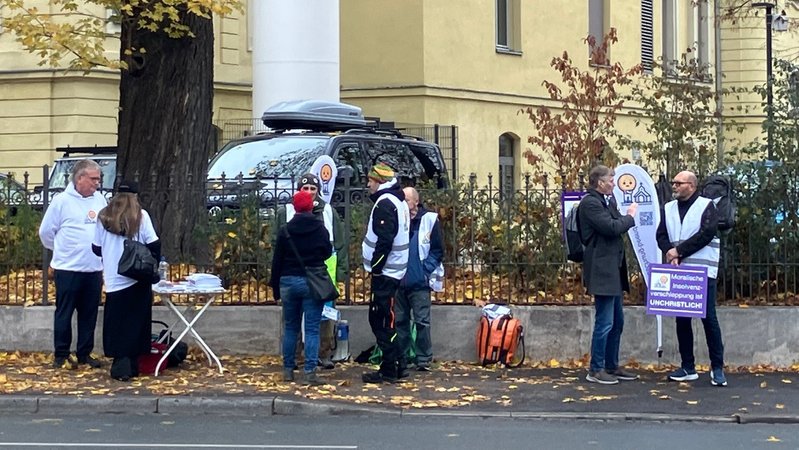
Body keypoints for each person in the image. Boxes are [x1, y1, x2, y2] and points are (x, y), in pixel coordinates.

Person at [657, 170, 727, 387]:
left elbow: (706, 234)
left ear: (692, 186)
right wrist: (669, 250)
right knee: (682, 319)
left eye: (679, 183)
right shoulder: (668, 208)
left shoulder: (706, 206)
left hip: (702, 271)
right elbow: (661, 234)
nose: (675, 186)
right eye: (674, 183)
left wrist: (678, 252)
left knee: (708, 318)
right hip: (680, 270)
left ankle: (717, 368)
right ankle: (688, 367)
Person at [38, 159, 107, 370]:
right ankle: (61, 354)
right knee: (64, 312)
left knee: (89, 314)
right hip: (68, 268)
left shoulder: (100, 200)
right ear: (80, 178)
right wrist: (60, 250)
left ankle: (84, 353)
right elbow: (46, 232)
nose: (97, 183)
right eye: (94, 179)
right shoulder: (61, 202)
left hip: (93, 268)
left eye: (98, 179)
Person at [275, 173, 347, 370]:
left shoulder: (328, 211)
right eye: (304, 189)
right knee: (297, 323)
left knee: (324, 318)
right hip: (308, 273)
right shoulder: (286, 212)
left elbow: (339, 244)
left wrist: (340, 273)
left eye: (312, 189)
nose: (308, 193)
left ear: (318, 191)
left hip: (323, 275)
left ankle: (323, 354)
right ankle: (299, 359)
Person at [92, 180, 160, 381]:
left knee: (116, 322)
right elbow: (154, 243)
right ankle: (132, 363)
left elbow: (96, 248)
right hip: (136, 276)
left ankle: (119, 363)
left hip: (113, 277)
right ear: (135, 197)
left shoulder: (103, 217)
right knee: (136, 321)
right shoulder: (140, 216)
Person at [578, 165, 639, 385]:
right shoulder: (590, 203)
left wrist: (623, 219)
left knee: (617, 322)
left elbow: (615, 223)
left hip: (613, 267)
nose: (614, 183)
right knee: (604, 322)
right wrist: (630, 217)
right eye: (610, 180)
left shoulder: (607, 201)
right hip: (602, 269)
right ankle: (596, 369)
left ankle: (611, 366)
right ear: (599, 182)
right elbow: (612, 227)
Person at [270, 190, 332, 385]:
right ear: (311, 205)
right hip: (311, 281)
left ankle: (288, 369)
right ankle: (310, 372)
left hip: (288, 280)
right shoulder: (320, 228)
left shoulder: (285, 230)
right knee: (312, 328)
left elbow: (277, 260)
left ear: (295, 207)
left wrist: (275, 288)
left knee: (291, 327)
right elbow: (327, 252)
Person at [361, 163, 410, 384]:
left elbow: (385, 240)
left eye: (370, 180)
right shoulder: (397, 200)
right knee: (385, 318)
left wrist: (377, 267)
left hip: (386, 273)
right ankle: (399, 364)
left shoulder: (385, 203)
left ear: (379, 181)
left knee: (380, 320)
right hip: (395, 270)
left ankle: (390, 367)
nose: (368, 185)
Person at [396, 187, 444, 376]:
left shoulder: (429, 220)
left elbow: (437, 250)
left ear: (416, 201)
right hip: (398, 280)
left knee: (422, 321)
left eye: (407, 200)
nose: (404, 203)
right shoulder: (398, 219)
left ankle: (423, 358)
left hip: (419, 282)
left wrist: (425, 272)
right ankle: (403, 356)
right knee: (400, 321)